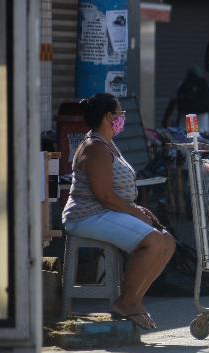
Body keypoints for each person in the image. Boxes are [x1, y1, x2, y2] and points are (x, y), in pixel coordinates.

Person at [62, 94, 175, 330]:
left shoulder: (108, 143)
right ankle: (126, 302)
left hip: (106, 211)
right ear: (108, 117)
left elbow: (115, 197)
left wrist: (138, 209)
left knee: (168, 242)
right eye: (120, 114)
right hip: (86, 215)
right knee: (154, 242)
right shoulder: (94, 148)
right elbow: (104, 196)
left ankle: (134, 300)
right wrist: (135, 213)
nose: (123, 118)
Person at [161, 66, 209, 132]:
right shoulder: (208, 86)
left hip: (188, 116)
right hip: (203, 118)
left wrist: (165, 120)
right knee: (202, 140)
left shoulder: (182, 85)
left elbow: (172, 103)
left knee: (189, 139)